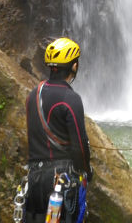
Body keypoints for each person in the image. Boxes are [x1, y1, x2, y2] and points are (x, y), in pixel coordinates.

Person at [25, 37, 92, 223]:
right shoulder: (70, 99)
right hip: (60, 182)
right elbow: (79, 145)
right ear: (74, 66)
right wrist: (87, 171)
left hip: (34, 180)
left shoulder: (33, 94)